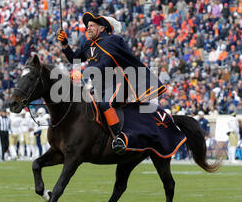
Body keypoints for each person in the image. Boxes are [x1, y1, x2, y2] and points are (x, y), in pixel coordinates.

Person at [57, 12, 166, 155]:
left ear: (101, 28)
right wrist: (65, 44)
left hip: (117, 83)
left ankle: (119, 139)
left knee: (105, 104)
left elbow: (105, 63)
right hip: (99, 86)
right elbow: (74, 59)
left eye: (91, 26)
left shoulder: (111, 41)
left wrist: (84, 71)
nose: (87, 28)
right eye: (87, 26)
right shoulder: (88, 44)